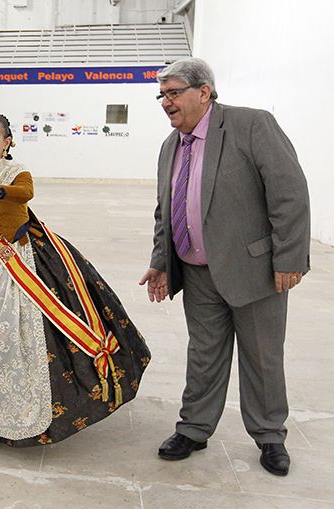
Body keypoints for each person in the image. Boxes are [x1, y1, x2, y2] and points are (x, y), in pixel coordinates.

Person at [138, 58, 310, 477]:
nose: (166, 102)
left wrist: (289, 258)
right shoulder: (170, 146)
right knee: (203, 355)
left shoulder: (251, 125)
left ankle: (269, 435)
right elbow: (167, 211)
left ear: (204, 91)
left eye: (174, 92)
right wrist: (162, 261)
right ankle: (194, 428)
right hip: (197, 273)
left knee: (263, 357)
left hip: (256, 270)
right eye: (162, 94)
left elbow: (289, 193)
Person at [0, 113, 150, 446]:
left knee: (28, 333)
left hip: (23, 260)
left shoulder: (16, 171)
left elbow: (25, 193)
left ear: (7, 142)